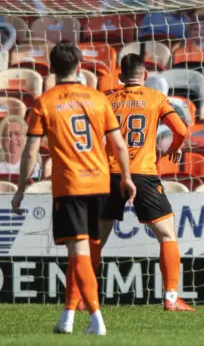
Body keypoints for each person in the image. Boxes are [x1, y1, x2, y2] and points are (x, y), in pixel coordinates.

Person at [11, 40, 136, 336]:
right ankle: (67, 317)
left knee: (78, 251)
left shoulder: (44, 102)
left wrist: (20, 189)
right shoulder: (98, 98)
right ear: (80, 66)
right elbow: (118, 144)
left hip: (71, 185)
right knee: (79, 253)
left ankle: (96, 319)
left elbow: (30, 152)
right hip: (101, 183)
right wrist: (127, 178)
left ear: (52, 69)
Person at [92, 54, 191, 311]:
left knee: (96, 240)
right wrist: (175, 148)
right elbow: (181, 131)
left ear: (121, 76)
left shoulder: (107, 100)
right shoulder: (155, 98)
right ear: (144, 75)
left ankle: (83, 297)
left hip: (109, 173)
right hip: (143, 173)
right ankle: (171, 298)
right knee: (167, 235)